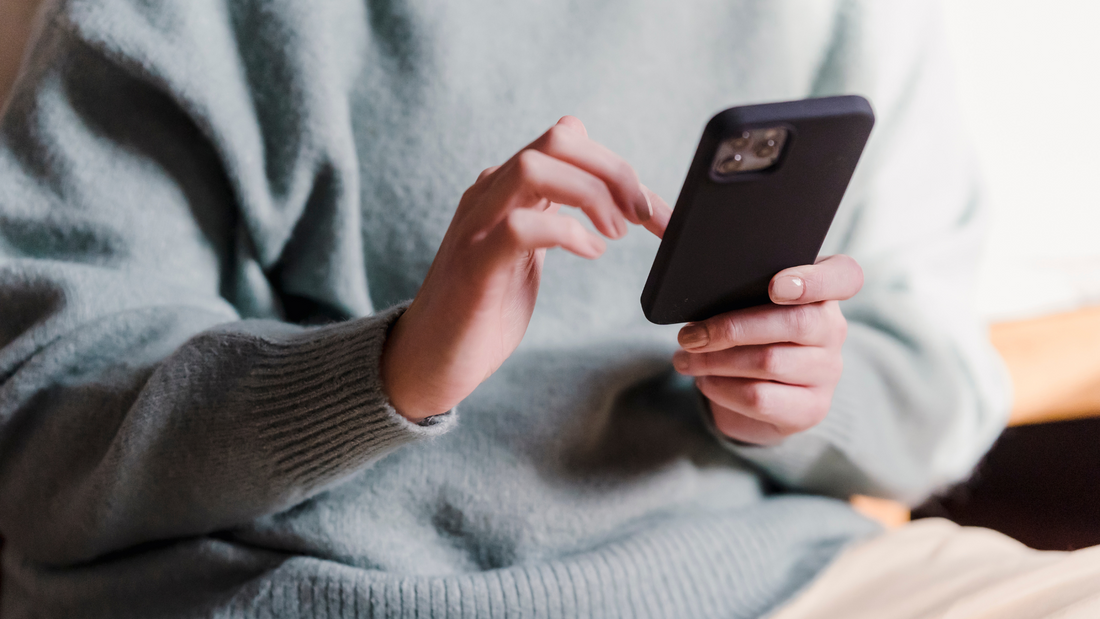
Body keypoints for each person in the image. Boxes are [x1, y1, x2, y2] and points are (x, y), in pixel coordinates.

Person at [5, 0, 1094, 617]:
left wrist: (806, 394)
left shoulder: (842, 15)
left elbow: (941, 389)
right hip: (326, 588)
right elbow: (40, 433)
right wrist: (389, 370)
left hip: (761, 575)